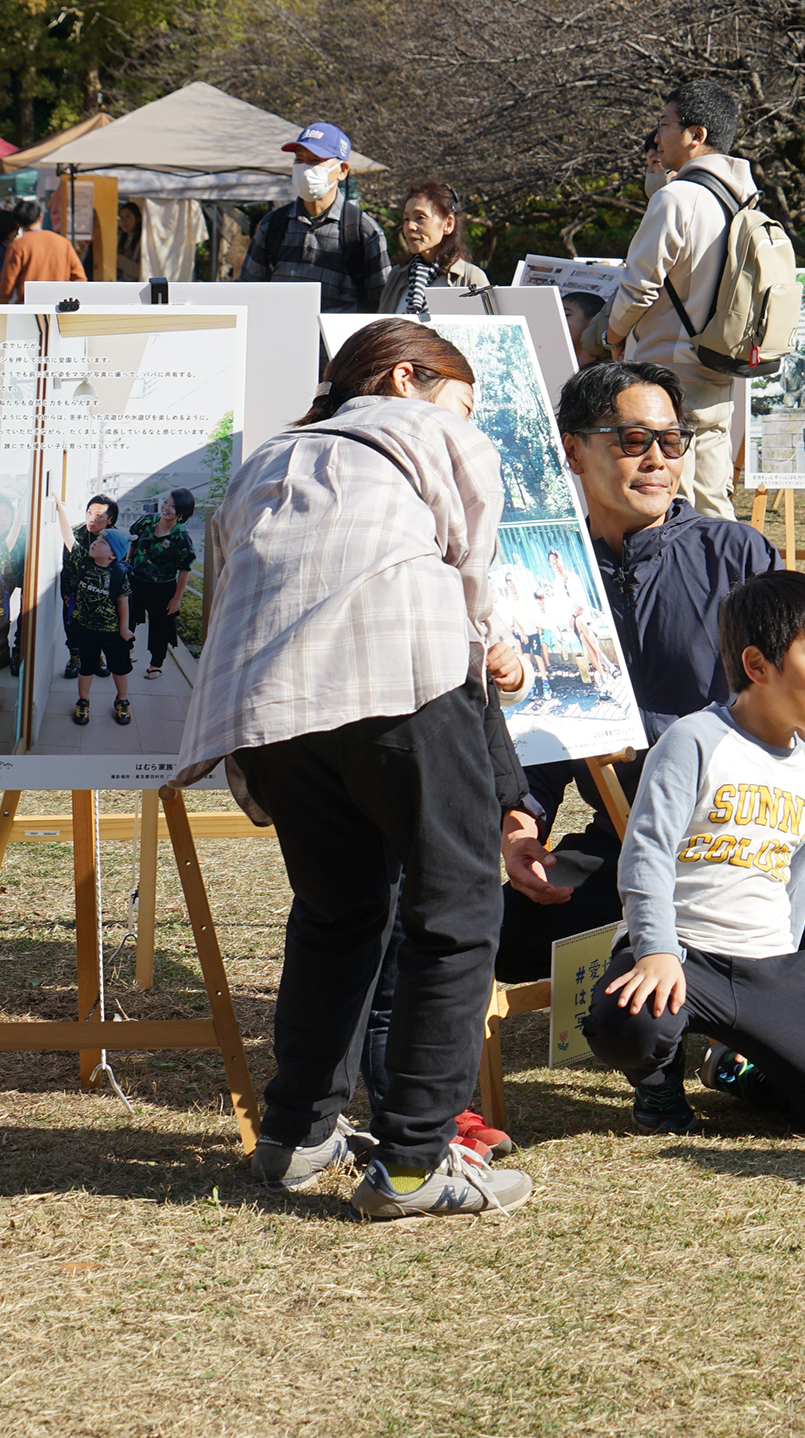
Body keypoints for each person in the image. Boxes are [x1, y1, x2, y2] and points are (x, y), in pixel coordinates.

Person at [172, 318, 535, 1219]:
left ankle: (294, 1136)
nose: (465, 417)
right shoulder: (433, 429)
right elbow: (473, 569)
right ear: (407, 377)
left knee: (338, 911)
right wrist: (495, 649)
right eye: (461, 399)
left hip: (269, 706)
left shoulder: (267, 457)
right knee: (455, 909)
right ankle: (413, 1162)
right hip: (398, 672)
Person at [499, 361, 805, 980]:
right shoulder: (547, 574)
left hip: (744, 832)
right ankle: (677, 967)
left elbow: (800, 693)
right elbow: (543, 730)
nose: (657, 460)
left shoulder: (738, 555)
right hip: (626, 837)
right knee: (504, 931)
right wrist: (520, 826)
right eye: (632, 440)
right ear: (574, 450)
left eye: (671, 441)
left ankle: (785, 994)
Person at [583, 571, 805, 1139]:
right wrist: (655, 950)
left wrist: (792, 986)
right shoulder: (693, 740)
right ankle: (657, 1081)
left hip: (768, 968)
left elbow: (797, 890)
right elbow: (647, 853)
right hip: (684, 955)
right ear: (757, 665)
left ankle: (735, 1070)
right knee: (626, 1023)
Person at [606, 79, 754, 518]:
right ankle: (734, 566)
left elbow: (639, 285)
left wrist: (613, 335)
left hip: (667, 371)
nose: (658, 137)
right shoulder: (740, 199)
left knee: (674, 506)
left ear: (696, 134)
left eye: (665, 124)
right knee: (714, 503)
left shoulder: (677, 197)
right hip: (718, 363)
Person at [238, 120, 391, 313]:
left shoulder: (363, 231)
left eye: (315, 160)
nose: (304, 168)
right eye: (299, 159)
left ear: (342, 170)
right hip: (278, 331)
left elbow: (383, 307)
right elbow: (246, 292)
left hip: (338, 334)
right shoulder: (273, 224)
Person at [380, 179, 490, 314]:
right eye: (406, 219)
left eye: (420, 217)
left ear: (448, 224)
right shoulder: (397, 276)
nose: (410, 226)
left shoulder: (471, 278)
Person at [127, 488, 198, 680]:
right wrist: (127, 564)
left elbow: (184, 570)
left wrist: (176, 599)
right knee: (126, 618)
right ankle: (126, 650)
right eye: (165, 502)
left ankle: (156, 664)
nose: (166, 508)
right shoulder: (146, 521)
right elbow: (133, 543)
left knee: (160, 628)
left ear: (182, 512)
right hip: (136, 582)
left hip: (162, 588)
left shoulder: (181, 537)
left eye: (173, 506)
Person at [68, 529, 134, 727]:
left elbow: (123, 603)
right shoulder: (84, 562)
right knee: (86, 667)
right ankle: (83, 701)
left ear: (113, 555)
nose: (96, 542)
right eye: (97, 539)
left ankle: (122, 700)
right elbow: (69, 539)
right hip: (86, 629)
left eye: (103, 542)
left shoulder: (119, 574)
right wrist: (59, 511)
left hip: (111, 631)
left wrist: (124, 629)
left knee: (119, 668)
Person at [58, 494, 117, 680]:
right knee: (72, 622)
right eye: (89, 513)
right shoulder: (77, 533)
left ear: (110, 520)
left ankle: (96, 656)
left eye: (99, 515)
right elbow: (68, 566)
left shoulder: (115, 538)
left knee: (99, 626)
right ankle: (75, 656)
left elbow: (119, 569)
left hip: (102, 593)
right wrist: (69, 593)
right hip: (75, 591)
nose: (92, 518)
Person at [0, 198, 88, 299]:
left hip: (29, 304)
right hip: (59, 303)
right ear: (40, 217)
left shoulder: (18, 246)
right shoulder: (64, 243)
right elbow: (80, 278)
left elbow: (7, 283)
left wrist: (0, 303)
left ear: (17, 224)